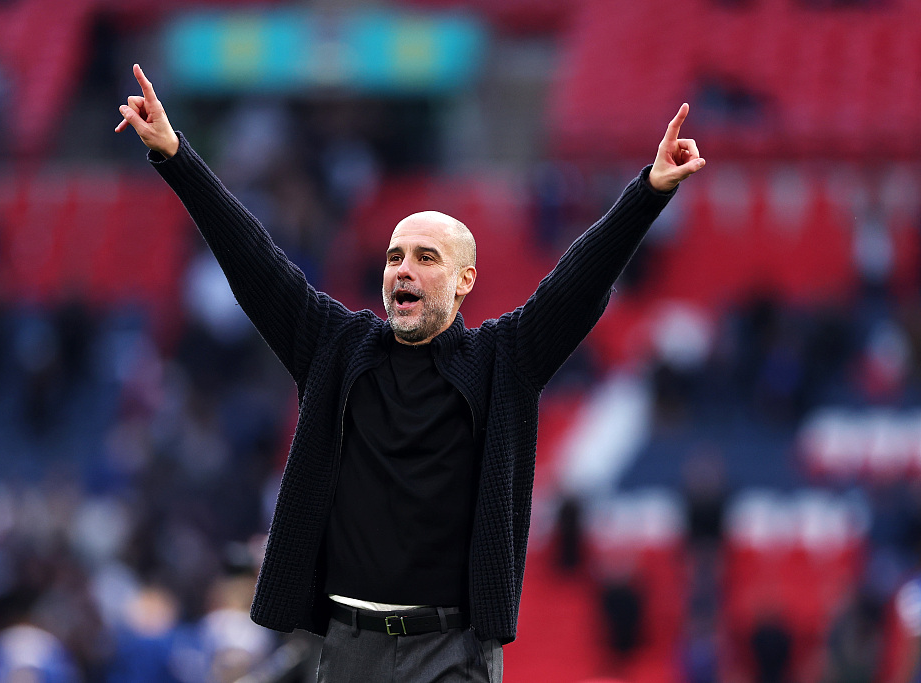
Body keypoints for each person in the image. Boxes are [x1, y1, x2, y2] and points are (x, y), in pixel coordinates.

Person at [115, 63, 705, 683]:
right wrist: (176, 157)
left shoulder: (505, 360)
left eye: (427, 258)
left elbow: (577, 285)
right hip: (344, 647)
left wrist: (649, 193)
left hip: (451, 653)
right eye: (396, 256)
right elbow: (254, 260)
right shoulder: (334, 347)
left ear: (465, 281)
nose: (405, 270)